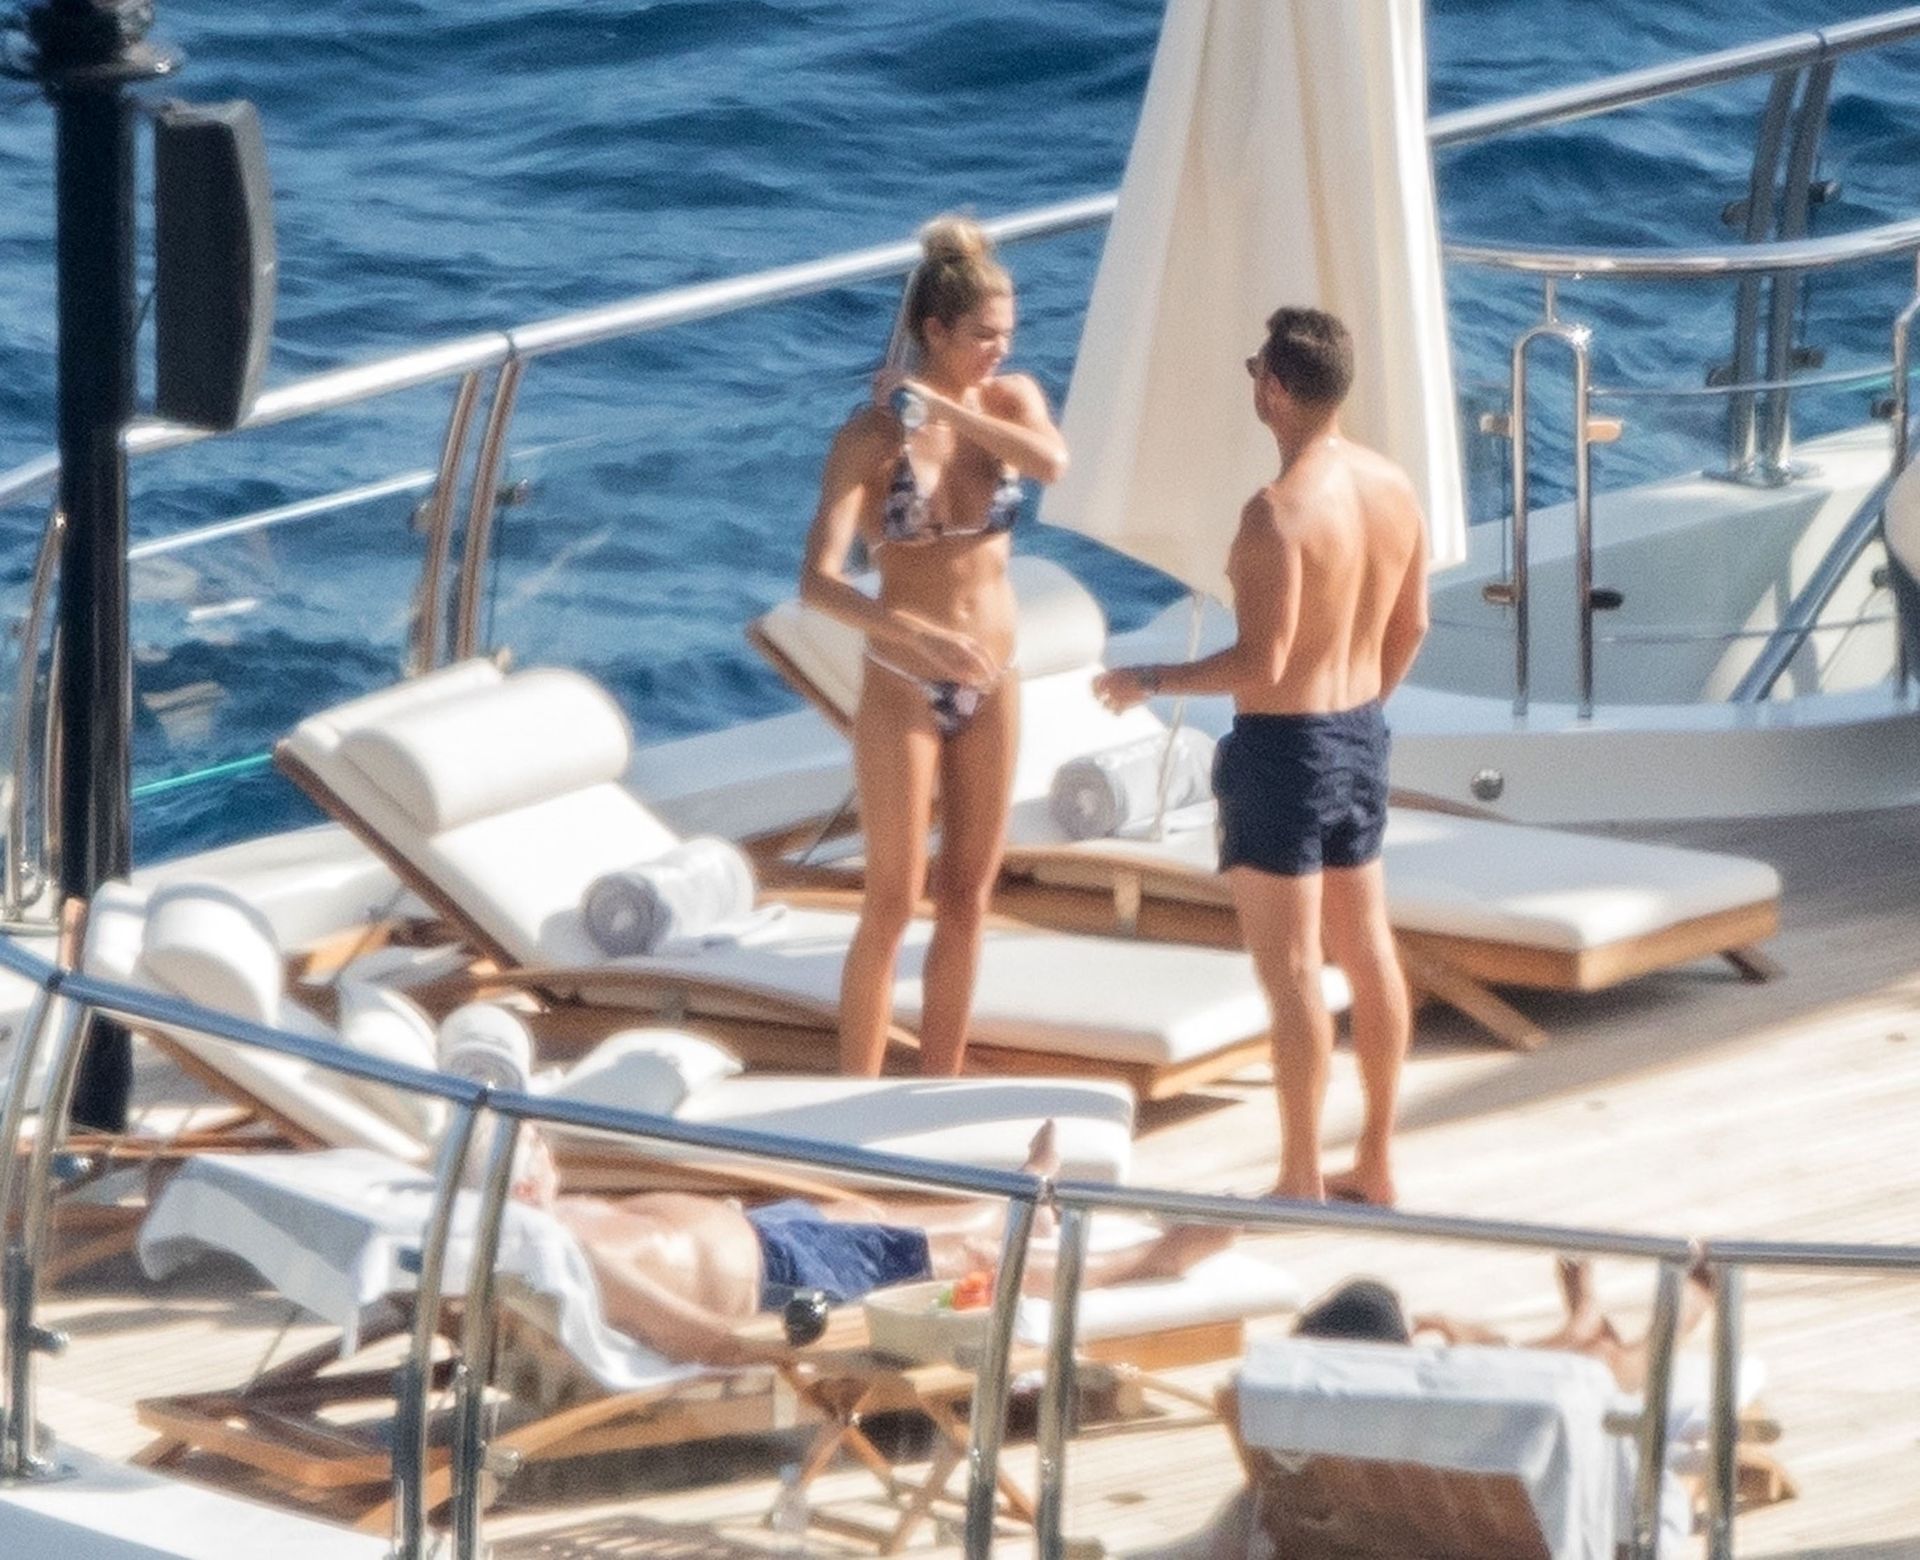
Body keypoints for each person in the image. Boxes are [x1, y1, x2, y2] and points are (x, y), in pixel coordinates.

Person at [1093, 307, 1429, 1207]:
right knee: (1369, 952)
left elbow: (1262, 664)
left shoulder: (1276, 515)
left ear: (1273, 389)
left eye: (1256, 371)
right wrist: (1362, 711)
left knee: (1293, 975)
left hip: (1286, 751)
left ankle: (1299, 1177)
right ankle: (1378, 1162)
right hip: (1360, 731)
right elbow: (1413, 624)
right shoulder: (1392, 486)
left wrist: (1150, 677)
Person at [799, 216, 1068, 1078]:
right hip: (903, 681)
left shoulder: (1010, 402)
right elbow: (818, 582)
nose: (1000, 349)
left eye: (1007, 334)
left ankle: (938, 1087)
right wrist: (907, 630)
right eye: (983, 335)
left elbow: (1053, 465)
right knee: (892, 903)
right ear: (935, 330)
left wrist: (948, 407)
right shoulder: (871, 439)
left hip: (996, 675)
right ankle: (855, 1102)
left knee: (968, 899)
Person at [519, 1123, 1230, 1368]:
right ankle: (1149, 1259)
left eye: (537, 1140)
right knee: (962, 1262)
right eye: (530, 1148)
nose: (544, 1153)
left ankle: (1013, 1202)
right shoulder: (568, 1250)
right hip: (783, 1280)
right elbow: (702, 1336)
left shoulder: (556, 1215)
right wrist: (785, 1342)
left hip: (766, 1233)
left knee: (868, 1210)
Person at [1294, 1257, 1715, 1394]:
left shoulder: (1294, 1399)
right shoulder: (1429, 1397)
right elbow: (1507, 1369)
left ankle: (1583, 1325)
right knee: (1601, 1364)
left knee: (1495, 1365)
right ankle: (1678, 1319)